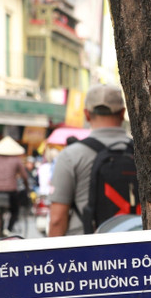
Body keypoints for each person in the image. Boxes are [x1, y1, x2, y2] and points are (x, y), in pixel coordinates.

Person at [48, 84, 132, 237]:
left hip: (87, 252)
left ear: (87, 114)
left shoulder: (70, 156)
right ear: (122, 113)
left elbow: (57, 220)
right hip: (138, 249)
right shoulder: (140, 154)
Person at [0, 136, 30, 234]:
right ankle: (8, 229)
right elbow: (24, 176)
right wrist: (27, 187)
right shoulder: (16, 160)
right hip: (10, 191)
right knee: (15, 210)